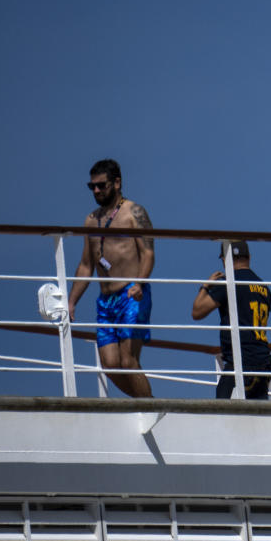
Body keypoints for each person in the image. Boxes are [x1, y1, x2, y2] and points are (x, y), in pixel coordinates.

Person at [68, 159, 154, 398]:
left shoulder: (134, 213)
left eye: (101, 185)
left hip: (130, 294)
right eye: (92, 186)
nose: (96, 191)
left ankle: (151, 409)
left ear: (117, 183)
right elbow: (86, 264)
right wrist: (71, 301)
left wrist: (139, 283)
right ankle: (146, 403)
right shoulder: (91, 220)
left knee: (128, 361)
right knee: (109, 365)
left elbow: (148, 253)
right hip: (105, 300)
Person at [192, 241, 271, 399]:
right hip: (264, 364)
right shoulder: (265, 289)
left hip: (241, 364)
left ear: (225, 260)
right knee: (257, 419)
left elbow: (197, 311)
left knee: (224, 414)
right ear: (249, 257)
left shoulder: (228, 283)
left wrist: (206, 286)